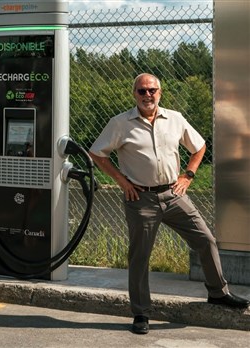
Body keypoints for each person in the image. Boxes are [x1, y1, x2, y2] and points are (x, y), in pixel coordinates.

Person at [89, 73, 250, 335]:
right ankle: (141, 313)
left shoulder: (175, 118)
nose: (147, 95)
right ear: (134, 94)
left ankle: (218, 293)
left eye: (152, 90)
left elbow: (199, 146)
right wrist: (121, 181)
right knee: (140, 257)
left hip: (174, 195)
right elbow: (97, 152)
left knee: (205, 239)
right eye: (141, 91)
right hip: (140, 199)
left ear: (160, 92)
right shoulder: (120, 123)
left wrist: (188, 176)